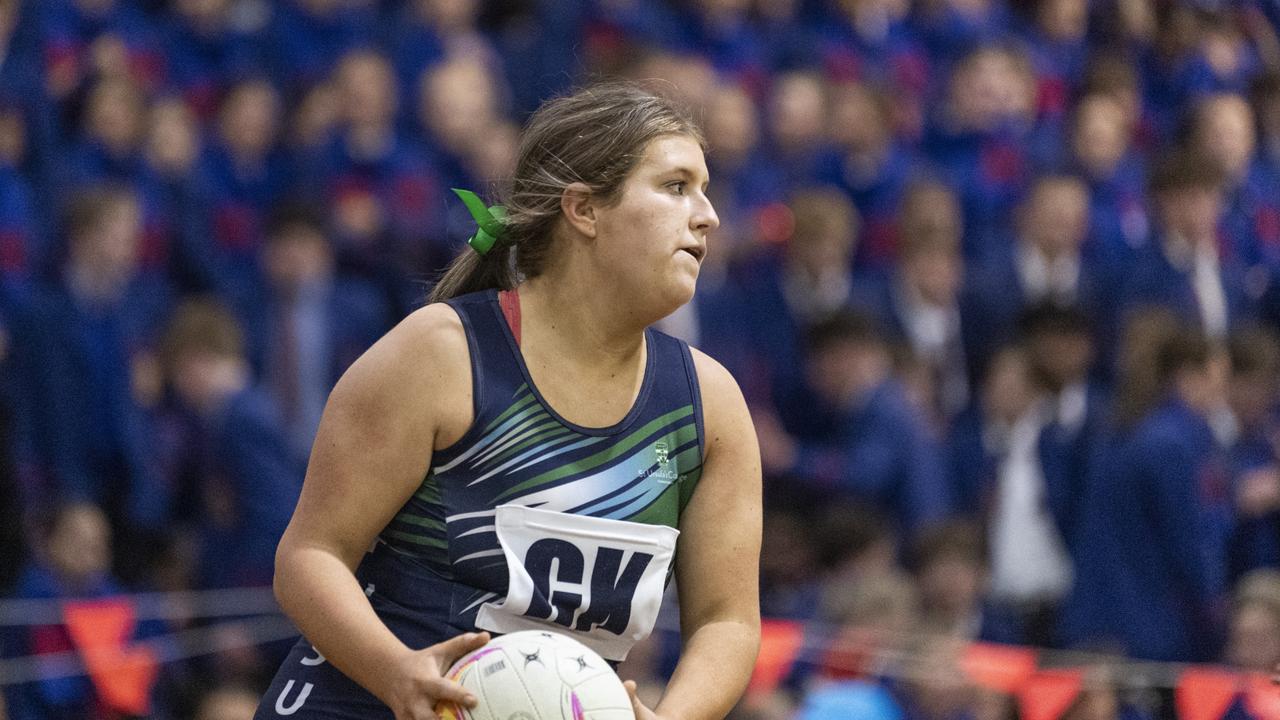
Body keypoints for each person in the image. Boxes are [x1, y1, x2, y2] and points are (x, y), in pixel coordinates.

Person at [256, 82, 762, 720]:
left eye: (706, 189)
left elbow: (728, 622)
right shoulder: (442, 354)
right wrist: (396, 674)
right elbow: (309, 556)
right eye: (676, 186)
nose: (708, 214)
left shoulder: (709, 406)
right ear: (583, 209)